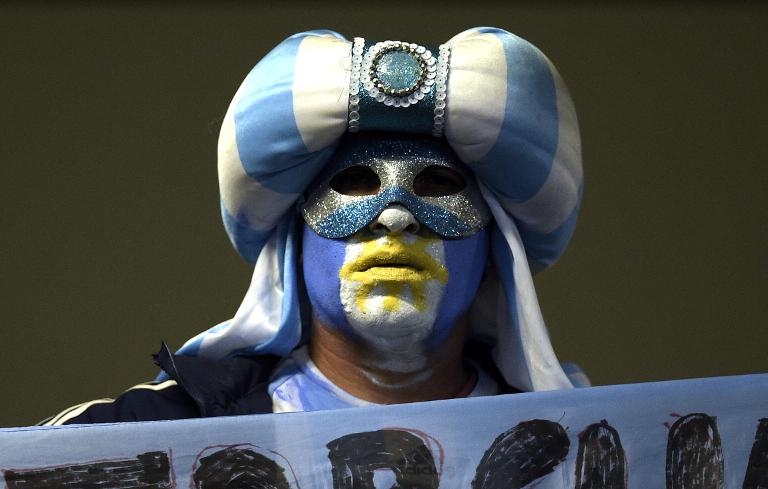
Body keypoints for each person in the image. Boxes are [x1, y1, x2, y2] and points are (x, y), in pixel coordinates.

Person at [42, 27, 586, 425]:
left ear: (496, 245)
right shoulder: (132, 444)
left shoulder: (594, 452)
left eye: (437, 187)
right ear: (293, 236)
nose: (395, 218)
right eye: (355, 184)